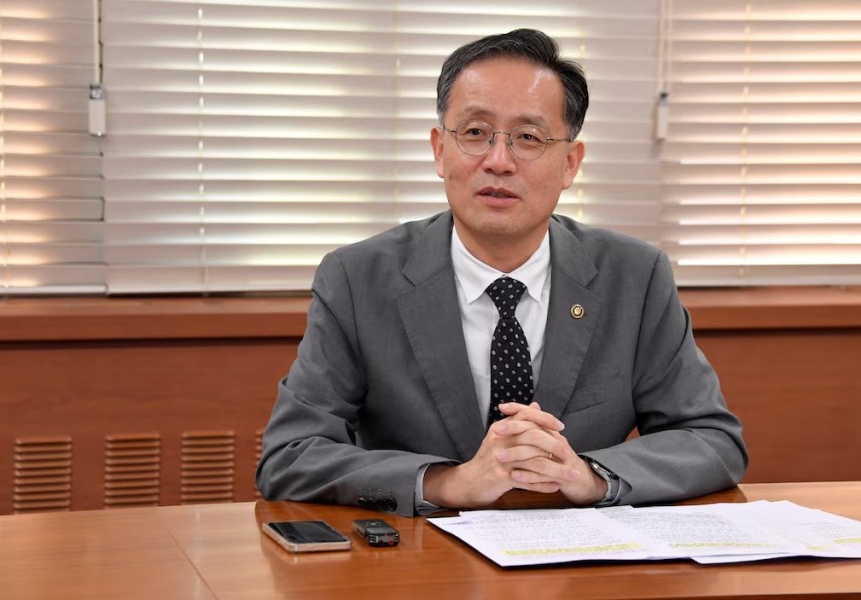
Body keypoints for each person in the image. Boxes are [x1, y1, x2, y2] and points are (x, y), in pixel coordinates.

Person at [256, 29, 747, 516]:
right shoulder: (356, 279)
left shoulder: (634, 277)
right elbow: (291, 456)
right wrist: (448, 483)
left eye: (528, 138)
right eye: (475, 133)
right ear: (439, 150)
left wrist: (590, 476)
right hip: (422, 553)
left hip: (579, 553)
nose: (498, 161)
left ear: (570, 163)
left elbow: (711, 440)